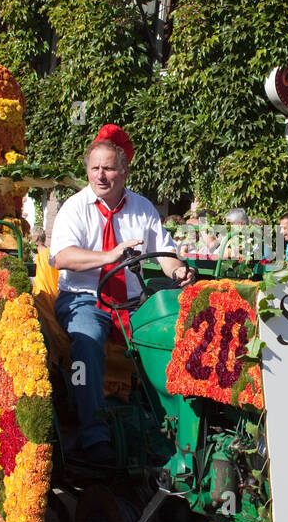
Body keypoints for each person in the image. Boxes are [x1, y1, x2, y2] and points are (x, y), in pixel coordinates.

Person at [50, 124, 194, 462]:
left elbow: (165, 253)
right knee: (86, 344)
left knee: (172, 337)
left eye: (109, 168)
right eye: (94, 168)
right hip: (84, 298)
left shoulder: (143, 208)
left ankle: (170, 426)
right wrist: (109, 257)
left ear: (124, 170)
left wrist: (179, 271)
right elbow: (61, 257)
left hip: (132, 302)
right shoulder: (74, 207)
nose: (100, 175)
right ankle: (93, 434)